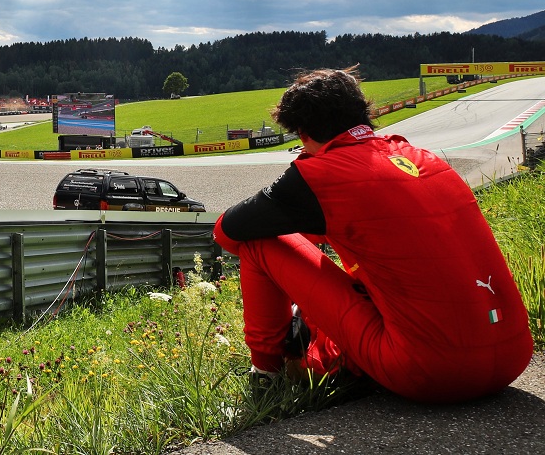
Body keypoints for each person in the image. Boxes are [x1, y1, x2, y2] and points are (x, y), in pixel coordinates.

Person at [214, 67, 532, 403]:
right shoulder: (424, 158)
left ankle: (266, 375)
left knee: (258, 242)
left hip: (429, 372)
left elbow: (227, 232)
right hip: (513, 357)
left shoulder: (322, 172)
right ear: (364, 113)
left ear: (303, 133)